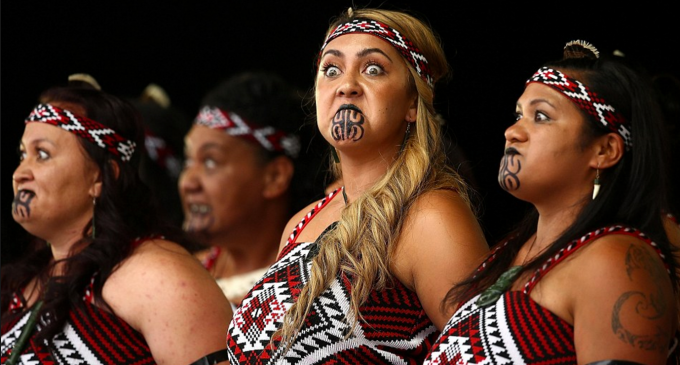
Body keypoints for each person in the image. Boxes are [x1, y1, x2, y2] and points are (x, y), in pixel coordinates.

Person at [224, 7, 489, 364]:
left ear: (413, 102)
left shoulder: (429, 215)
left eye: (373, 69)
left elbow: (484, 352)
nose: (346, 84)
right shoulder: (302, 223)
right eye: (331, 70)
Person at [424, 40, 680, 365]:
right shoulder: (511, 252)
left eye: (541, 116)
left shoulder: (613, 261)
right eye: (518, 115)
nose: (512, 132)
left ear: (605, 151)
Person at [1, 77, 233, 365]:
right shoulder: (22, 286)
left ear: (101, 175)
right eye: (23, 155)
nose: (20, 173)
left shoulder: (159, 277)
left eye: (43, 155)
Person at [179, 71, 321, 308]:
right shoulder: (182, 276)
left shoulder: (315, 287)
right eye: (187, 161)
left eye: (210, 161)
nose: (187, 182)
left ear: (275, 177)